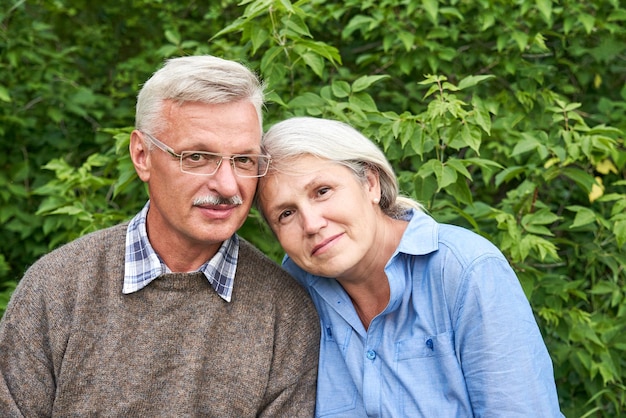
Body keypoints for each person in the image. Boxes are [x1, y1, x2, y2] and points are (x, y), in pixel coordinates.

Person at [0, 56, 320, 417]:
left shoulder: (284, 312)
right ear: (142, 156)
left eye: (244, 160)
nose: (228, 185)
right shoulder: (58, 288)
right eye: (197, 157)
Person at [256, 116, 564, 417]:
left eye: (322, 191)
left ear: (371, 184)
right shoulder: (294, 289)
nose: (311, 224)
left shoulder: (465, 271)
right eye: (285, 214)